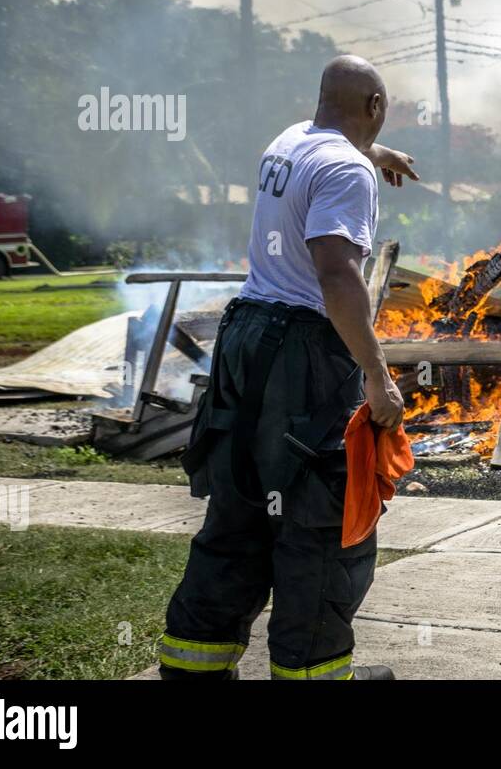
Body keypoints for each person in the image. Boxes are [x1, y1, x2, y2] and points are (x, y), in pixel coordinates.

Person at [159, 55, 416, 681]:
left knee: (241, 504)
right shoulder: (347, 170)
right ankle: (312, 672)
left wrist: (376, 154)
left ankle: (193, 667)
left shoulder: (289, 142)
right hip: (302, 353)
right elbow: (336, 271)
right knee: (316, 518)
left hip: (245, 334)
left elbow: (325, 157)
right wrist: (379, 379)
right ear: (375, 108)